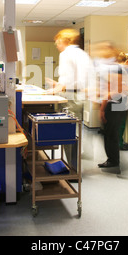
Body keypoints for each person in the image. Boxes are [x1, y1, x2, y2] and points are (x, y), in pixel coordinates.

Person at [45, 28, 94, 170]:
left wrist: (59, 88)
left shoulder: (67, 53)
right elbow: (79, 78)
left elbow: (70, 79)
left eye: (57, 42)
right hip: (78, 95)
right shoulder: (81, 53)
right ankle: (72, 167)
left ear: (64, 40)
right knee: (74, 132)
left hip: (71, 97)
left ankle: (73, 171)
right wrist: (59, 85)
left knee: (70, 133)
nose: (57, 45)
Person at [91, 41, 128, 168]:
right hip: (114, 103)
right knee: (108, 133)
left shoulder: (115, 68)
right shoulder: (111, 67)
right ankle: (112, 159)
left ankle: (113, 161)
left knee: (110, 134)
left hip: (116, 104)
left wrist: (103, 106)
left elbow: (115, 90)